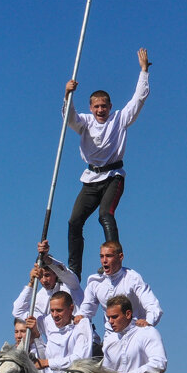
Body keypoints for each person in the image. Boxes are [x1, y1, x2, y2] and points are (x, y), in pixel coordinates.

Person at [63, 48, 151, 278]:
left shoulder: (119, 119)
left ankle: (114, 261)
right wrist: (67, 95)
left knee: (105, 214)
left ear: (110, 107)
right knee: (74, 222)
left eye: (104, 106)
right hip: (91, 179)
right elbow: (69, 118)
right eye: (96, 106)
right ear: (91, 108)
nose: (101, 110)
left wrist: (143, 72)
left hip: (113, 177)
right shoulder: (84, 122)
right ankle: (74, 270)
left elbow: (138, 99)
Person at [75, 241, 162, 337]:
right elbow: (85, 312)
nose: (104, 260)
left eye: (108, 256)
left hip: (135, 334)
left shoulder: (133, 278)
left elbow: (153, 306)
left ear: (120, 257)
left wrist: (148, 322)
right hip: (112, 337)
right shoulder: (95, 282)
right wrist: (80, 317)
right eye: (101, 256)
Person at [25, 291, 93, 373]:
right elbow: (19, 311)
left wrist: (47, 363)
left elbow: (79, 359)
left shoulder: (81, 325)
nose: (55, 315)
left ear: (71, 309)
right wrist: (36, 334)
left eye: (59, 310)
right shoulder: (46, 321)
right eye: (52, 310)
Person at [13, 239, 84, 321]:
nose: (44, 280)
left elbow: (63, 272)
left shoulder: (70, 284)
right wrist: (31, 282)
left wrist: (46, 259)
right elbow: (18, 311)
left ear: (55, 273)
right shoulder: (39, 298)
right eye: (40, 276)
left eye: (47, 275)